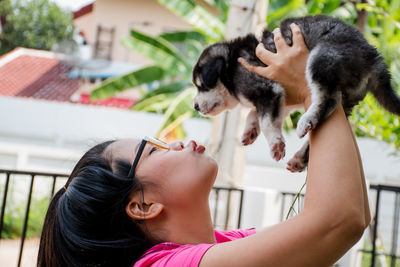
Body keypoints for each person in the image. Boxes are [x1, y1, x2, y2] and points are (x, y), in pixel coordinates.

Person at [37, 24, 371, 267]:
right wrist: (314, 86)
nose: (177, 143)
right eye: (154, 149)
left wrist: (319, 92)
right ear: (142, 206)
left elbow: (352, 211)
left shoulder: (230, 243)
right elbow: (339, 220)